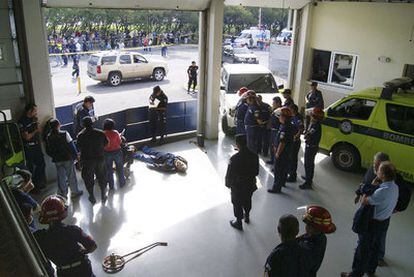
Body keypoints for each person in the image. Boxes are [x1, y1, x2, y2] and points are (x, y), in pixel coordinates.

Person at [341, 162, 399, 277]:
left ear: (382, 174)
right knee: (375, 248)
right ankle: (371, 270)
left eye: (379, 170)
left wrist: (371, 186)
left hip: (373, 224)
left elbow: (364, 201)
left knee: (363, 249)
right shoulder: (394, 186)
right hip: (384, 222)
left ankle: (356, 273)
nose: (376, 171)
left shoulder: (382, 191)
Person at [354, 152, 410, 265]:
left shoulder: (394, 179)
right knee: (364, 233)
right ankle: (363, 248)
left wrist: (398, 208)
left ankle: (378, 256)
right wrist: (358, 193)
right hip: (368, 212)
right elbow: (364, 182)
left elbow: (406, 194)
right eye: (374, 164)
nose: (374, 167)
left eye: (377, 165)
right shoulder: (372, 169)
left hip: (380, 216)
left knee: (379, 237)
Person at [34, 195, 97, 277]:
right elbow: (93, 245)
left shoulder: (40, 237)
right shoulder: (73, 230)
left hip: (63, 272)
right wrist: (84, 251)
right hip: (83, 269)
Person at [225, 135, 259, 231]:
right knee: (247, 200)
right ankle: (247, 216)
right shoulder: (254, 156)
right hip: (250, 184)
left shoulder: (234, 158)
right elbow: (256, 172)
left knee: (237, 202)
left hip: (238, 185)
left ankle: (238, 222)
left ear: (237, 144)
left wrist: (228, 184)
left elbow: (229, 174)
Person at [45, 119, 83, 199]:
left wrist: (53, 156)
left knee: (61, 177)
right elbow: (71, 145)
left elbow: (48, 150)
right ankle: (75, 191)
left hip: (57, 160)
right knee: (71, 175)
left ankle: (63, 194)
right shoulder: (65, 133)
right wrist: (76, 155)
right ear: (59, 124)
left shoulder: (48, 137)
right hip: (67, 158)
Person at [77, 117, 108, 204]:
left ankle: (91, 195)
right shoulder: (100, 133)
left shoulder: (81, 135)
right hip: (100, 159)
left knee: (88, 179)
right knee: (102, 177)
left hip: (87, 161)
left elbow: (79, 147)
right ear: (92, 123)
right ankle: (103, 194)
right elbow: (106, 143)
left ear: (83, 125)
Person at [298, 206, 336, 277]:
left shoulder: (308, 248)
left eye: (307, 224)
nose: (306, 226)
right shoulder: (321, 236)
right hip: (311, 271)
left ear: (311, 227)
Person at [18, 103, 46, 193]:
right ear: (30, 111)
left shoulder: (34, 119)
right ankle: (31, 187)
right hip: (28, 147)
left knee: (41, 164)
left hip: (36, 146)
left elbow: (39, 130)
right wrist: (35, 131)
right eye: (35, 111)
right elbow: (26, 137)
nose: (36, 112)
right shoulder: (22, 121)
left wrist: (38, 128)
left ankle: (38, 184)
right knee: (30, 168)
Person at [268, 107, 293, 194]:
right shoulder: (286, 125)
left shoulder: (285, 128)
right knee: (283, 169)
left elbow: (282, 142)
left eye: (280, 116)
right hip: (286, 152)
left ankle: (276, 187)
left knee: (278, 170)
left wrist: (277, 153)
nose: (279, 117)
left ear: (285, 117)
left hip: (282, 153)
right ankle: (282, 183)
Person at [300, 108, 324, 189]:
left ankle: (308, 182)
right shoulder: (314, 124)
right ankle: (308, 177)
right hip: (311, 146)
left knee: (308, 164)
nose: (310, 116)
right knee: (309, 163)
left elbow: (308, 136)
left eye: (312, 115)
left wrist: (306, 135)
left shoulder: (315, 126)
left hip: (311, 147)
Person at [103, 119, 126, 190]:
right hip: (117, 152)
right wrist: (120, 136)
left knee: (109, 170)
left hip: (107, 153)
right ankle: (122, 183)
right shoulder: (115, 133)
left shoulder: (103, 134)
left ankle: (111, 186)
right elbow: (119, 142)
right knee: (120, 168)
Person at [287, 104, 304, 182]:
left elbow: (301, 129)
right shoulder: (291, 116)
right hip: (290, 140)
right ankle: (289, 171)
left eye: (290, 109)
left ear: (293, 110)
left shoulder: (298, 118)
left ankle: (292, 176)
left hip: (295, 141)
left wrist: (296, 137)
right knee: (289, 158)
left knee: (293, 159)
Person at [266, 97, 282, 165]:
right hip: (272, 130)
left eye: (274, 103)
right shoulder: (274, 110)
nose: (272, 104)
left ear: (278, 103)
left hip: (277, 131)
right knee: (271, 146)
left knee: (276, 146)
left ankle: (276, 163)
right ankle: (272, 160)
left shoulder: (281, 111)